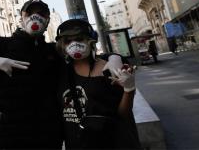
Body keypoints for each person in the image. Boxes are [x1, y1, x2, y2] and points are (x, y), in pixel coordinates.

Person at [0, 0, 123, 149]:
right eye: (29, 13)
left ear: (47, 21)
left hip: (47, 139)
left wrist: (114, 58)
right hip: (6, 140)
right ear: (21, 18)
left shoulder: (53, 52)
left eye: (42, 14)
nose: (35, 17)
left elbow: (85, 56)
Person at [56, 19, 141, 149]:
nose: (74, 45)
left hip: (112, 142)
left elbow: (123, 114)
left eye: (79, 39)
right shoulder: (60, 73)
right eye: (68, 41)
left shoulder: (109, 69)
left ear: (91, 41)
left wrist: (129, 89)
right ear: (62, 45)